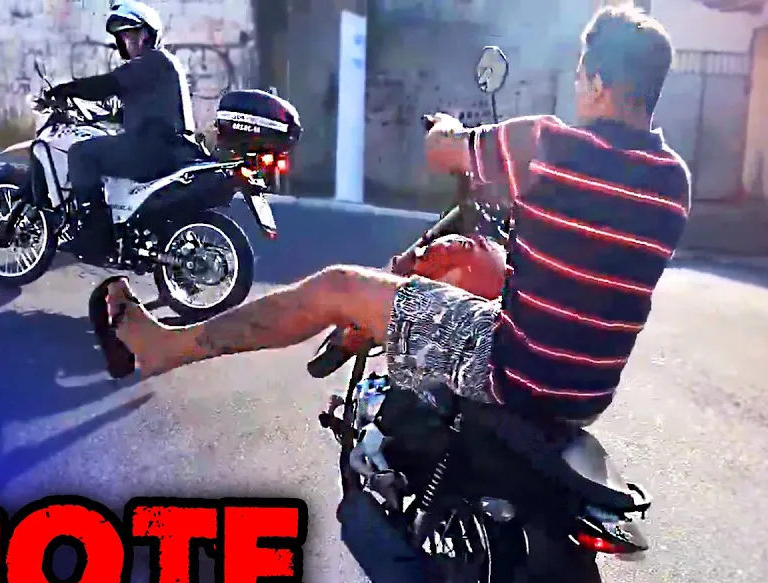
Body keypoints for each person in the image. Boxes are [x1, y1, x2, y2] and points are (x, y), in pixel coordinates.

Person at [102, 4, 692, 425]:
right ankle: (389, 373)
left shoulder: (545, 144)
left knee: (337, 284)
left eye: (581, 76)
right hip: (588, 395)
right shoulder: (673, 182)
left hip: (514, 372)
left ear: (598, 82)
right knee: (468, 265)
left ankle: (170, 346)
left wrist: (447, 126)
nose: (577, 87)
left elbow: (443, 153)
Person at [44, 1, 199, 258]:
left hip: (153, 148)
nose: (126, 41)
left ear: (147, 35)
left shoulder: (153, 61)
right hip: (167, 146)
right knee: (104, 147)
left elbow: (106, 84)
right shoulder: (157, 68)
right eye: (123, 36)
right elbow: (132, 112)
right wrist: (100, 115)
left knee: (82, 154)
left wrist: (65, 90)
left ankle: (94, 233)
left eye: (130, 34)